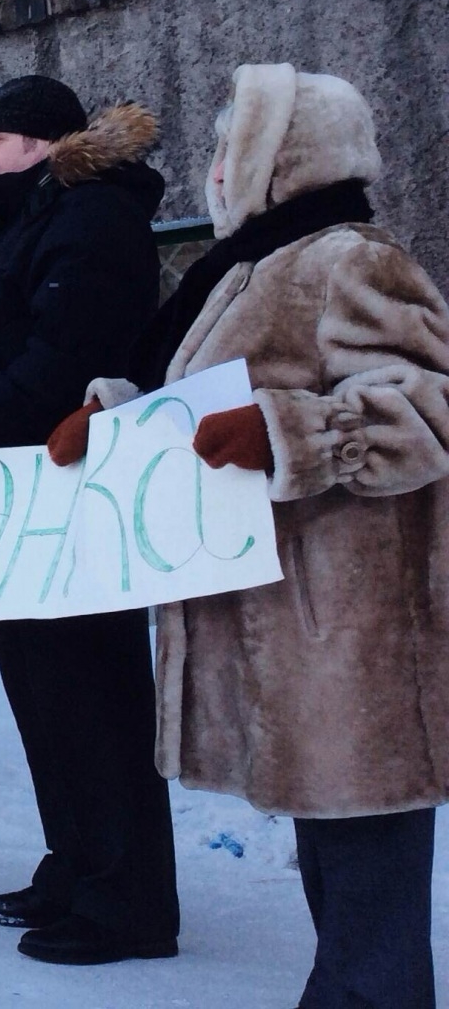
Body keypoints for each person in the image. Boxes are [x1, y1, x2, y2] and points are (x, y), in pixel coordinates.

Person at [52, 64, 449, 1006]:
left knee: (366, 871)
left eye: (232, 149)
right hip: (292, 630)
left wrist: (291, 434)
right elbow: (204, 407)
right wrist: (116, 414)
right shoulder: (249, 270)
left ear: (283, 156)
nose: (216, 171)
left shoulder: (351, 256)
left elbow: (429, 409)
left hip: (358, 636)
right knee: (336, 864)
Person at [0, 74, 178, 965]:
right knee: (45, 698)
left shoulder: (89, 217)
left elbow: (65, 355)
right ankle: (76, 864)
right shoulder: (27, 221)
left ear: (40, 143)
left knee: (92, 698)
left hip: (72, 503)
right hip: (20, 505)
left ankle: (128, 900)